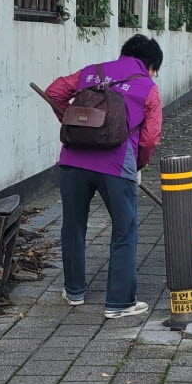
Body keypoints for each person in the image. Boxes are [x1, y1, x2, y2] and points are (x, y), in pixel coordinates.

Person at [44, 34, 164, 318]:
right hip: (116, 165)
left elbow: (54, 92)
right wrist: (138, 166)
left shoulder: (90, 73)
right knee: (125, 230)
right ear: (150, 66)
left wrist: (80, 125)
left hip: (73, 161)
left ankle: (74, 291)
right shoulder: (148, 88)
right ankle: (120, 303)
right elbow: (150, 138)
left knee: (73, 225)